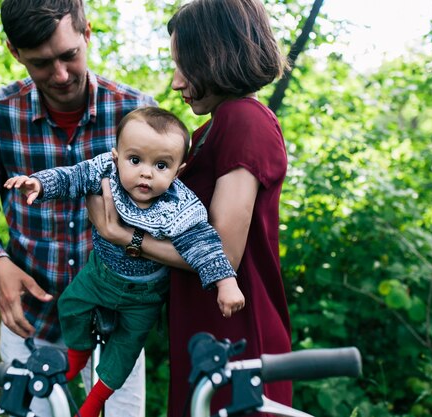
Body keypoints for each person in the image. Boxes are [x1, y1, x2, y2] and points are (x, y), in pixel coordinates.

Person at [0, 1, 157, 416]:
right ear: (15, 52)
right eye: (42, 63)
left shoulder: (135, 113)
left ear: (87, 34)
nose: (60, 75)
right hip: (33, 324)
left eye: (69, 56)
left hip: (116, 325)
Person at [86, 0, 292, 416]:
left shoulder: (243, 121)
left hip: (234, 331)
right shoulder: (213, 127)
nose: (178, 83)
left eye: (185, 65)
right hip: (206, 328)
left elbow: (224, 253)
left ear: (216, 58)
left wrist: (123, 237)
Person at [5, 106, 245, 417]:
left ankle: (93, 403)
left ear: (178, 171)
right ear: (116, 157)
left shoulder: (180, 206)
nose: (146, 172)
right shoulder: (105, 171)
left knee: (125, 351)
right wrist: (40, 184)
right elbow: (73, 177)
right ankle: (78, 354)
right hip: (100, 274)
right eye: (135, 160)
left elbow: (205, 245)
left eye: (161, 165)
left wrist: (226, 284)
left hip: (144, 296)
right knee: (71, 306)